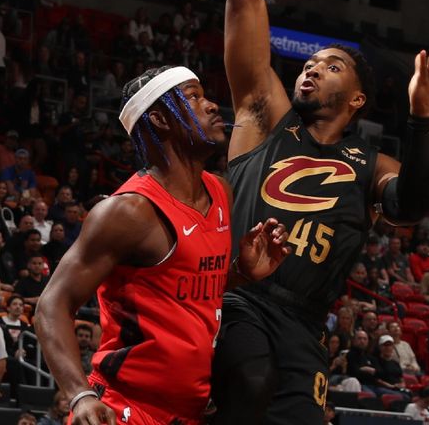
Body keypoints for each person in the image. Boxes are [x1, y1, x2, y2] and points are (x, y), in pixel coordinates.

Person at [211, 0, 429, 423]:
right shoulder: (264, 118)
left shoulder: (372, 165)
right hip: (236, 299)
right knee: (250, 378)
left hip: (303, 325)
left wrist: (421, 116)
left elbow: (414, 203)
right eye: (311, 62)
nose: (313, 68)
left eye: (332, 64)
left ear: (359, 98)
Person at [35, 66, 289, 425]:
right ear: (159, 119)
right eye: (193, 97)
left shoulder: (220, 191)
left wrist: (241, 274)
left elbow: (180, 291)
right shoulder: (128, 212)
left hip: (189, 413)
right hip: (125, 408)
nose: (213, 105)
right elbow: (51, 306)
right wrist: (79, 395)